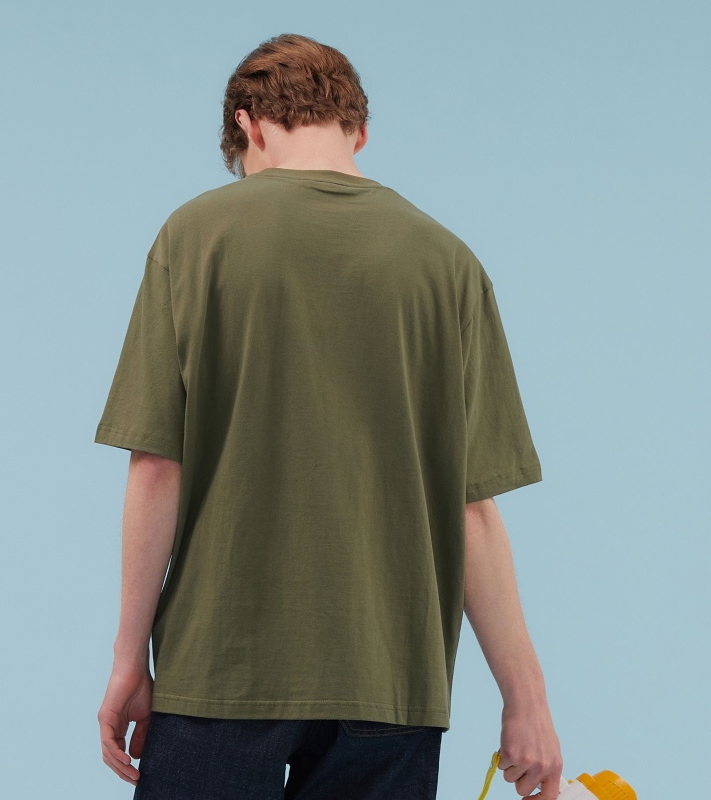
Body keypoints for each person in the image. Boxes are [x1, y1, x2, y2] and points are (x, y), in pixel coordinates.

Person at [94, 32, 563, 800]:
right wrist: (527, 699)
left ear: (247, 125)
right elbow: (471, 508)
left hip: (222, 668)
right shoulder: (449, 264)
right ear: (359, 131)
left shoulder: (195, 236)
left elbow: (155, 467)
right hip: (391, 679)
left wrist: (128, 660)